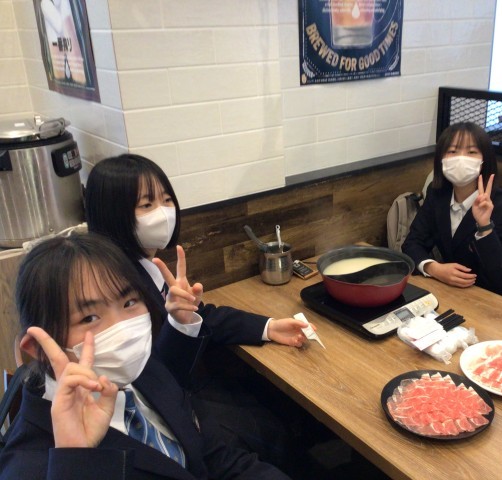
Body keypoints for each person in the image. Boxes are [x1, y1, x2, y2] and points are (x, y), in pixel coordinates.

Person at [84, 154, 316, 471]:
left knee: (278, 405)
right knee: (277, 420)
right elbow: (152, 375)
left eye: (167, 200)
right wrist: (180, 323)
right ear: (113, 213)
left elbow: (201, 315)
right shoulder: (116, 288)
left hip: (191, 391)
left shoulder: (145, 267)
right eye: (147, 205)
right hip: (179, 417)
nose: (164, 212)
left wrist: (268, 327)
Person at [0, 233, 289, 479]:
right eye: (89, 318)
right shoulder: (30, 466)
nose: (124, 331)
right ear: (38, 347)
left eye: (129, 302)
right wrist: (76, 461)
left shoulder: (140, 368)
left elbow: (211, 456)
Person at [401, 122, 502, 301]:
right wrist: (433, 268)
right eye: (452, 151)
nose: (461, 158)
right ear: (441, 159)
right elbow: (412, 243)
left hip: (491, 302)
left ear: (484, 160)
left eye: (472, 152)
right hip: (449, 293)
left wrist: (484, 227)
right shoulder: (438, 194)